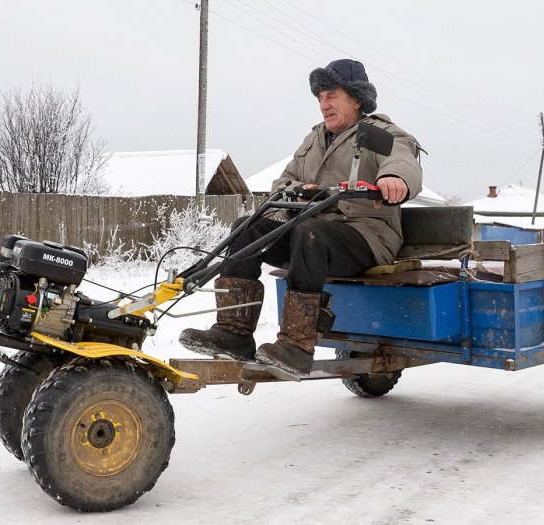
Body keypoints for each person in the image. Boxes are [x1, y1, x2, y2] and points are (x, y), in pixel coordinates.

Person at [180, 58, 423, 375]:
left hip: (366, 236)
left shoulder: (381, 133)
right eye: (320, 97)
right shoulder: (314, 139)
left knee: (311, 232)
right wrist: (297, 188)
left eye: (331, 95)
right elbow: (282, 181)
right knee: (245, 228)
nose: (324, 104)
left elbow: (404, 161)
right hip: (312, 235)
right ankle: (233, 334)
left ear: (357, 98)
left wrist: (395, 180)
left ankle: (296, 346)